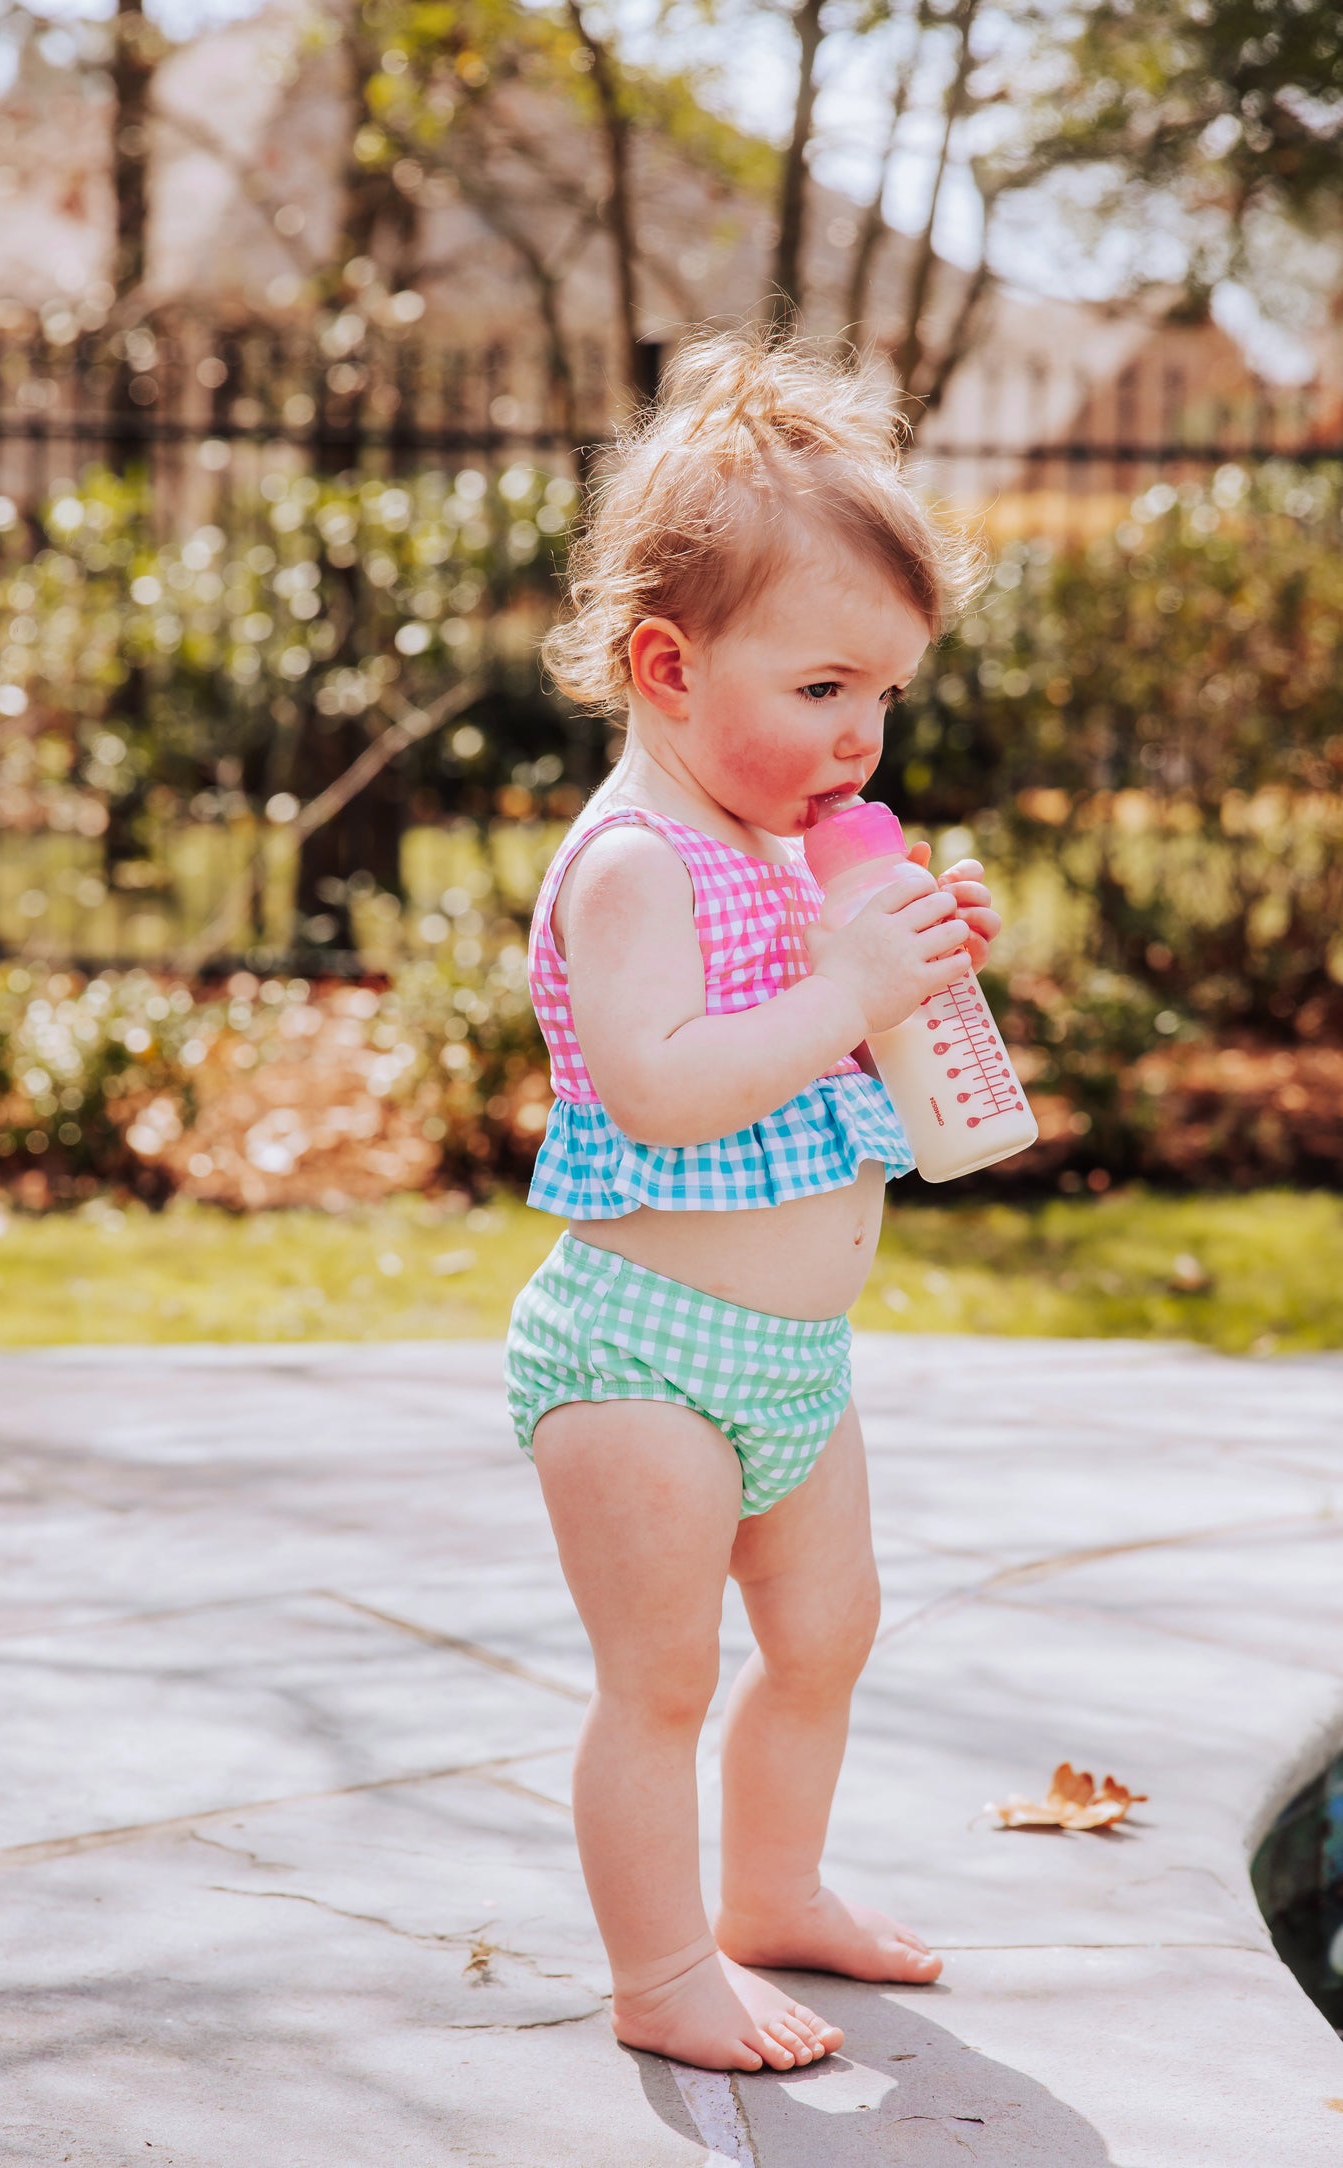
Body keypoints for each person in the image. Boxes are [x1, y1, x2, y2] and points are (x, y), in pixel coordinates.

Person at [504, 330, 999, 2075]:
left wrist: (916, 980)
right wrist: (843, 992)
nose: (860, 737)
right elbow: (663, 1087)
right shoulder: (636, 861)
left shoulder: (786, 852)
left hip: (797, 1365)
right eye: (821, 692)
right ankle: (658, 1977)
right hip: (642, 1357)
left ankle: (771, 1888)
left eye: (884, 697)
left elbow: (828, 1070)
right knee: (658, 1681)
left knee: (825, 1640)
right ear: (664, 663)